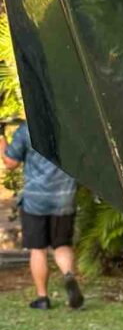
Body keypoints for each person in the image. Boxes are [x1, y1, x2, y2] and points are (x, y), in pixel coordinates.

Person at [0, 121, 84, 309]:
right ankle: (69, 276)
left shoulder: (27, 130)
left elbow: (10, 162)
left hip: (35, 200)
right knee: (62, 245)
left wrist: (1, 137)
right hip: (64, 197)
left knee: (38, 250)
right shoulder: (69, 127)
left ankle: (42, 298)